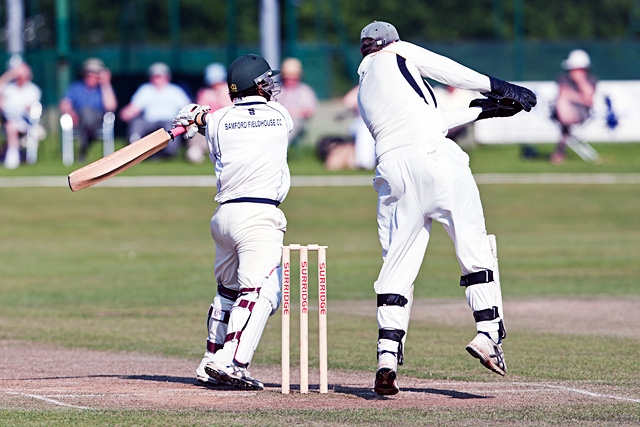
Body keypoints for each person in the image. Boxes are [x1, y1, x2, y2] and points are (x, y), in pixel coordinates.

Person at [356, 21, 537, 395]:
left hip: (392, 171)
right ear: (391, 42)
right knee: (473, 246)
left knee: (397, 263)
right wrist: (499, 87)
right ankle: (488, 333)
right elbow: (447, 69)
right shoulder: (399, 52)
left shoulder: (364, 88)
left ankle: (386, 357)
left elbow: (424, 122)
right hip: (436, 160)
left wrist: (481, 111)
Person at [172, 54, 293, 390]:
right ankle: (228, 361)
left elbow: (205, 120)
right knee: (263, 292)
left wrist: (194, 116)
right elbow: (220, 118)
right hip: (259, 216)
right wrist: (199, 116)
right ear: (260, 85)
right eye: (268, 81)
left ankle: (208, 359)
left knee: (229, 292)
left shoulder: (219, 121)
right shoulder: (280, 116)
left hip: (224, 217)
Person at [120, 62, 191, 158]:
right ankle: (134, 151)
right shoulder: (145, 90)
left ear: (167, 77)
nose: (157, 79)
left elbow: (188, 107)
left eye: (160, 76)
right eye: (155, 76)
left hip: (169, 120)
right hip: (149, 121)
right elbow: (134, 107)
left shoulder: (175, 91)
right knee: (137, 123)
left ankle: (169, 152)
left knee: (170, 125)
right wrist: (127, 112)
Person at [59, 58, 117, 162]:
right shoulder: (76, 88)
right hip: (79, 120)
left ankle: (84, 146)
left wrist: (106, 84)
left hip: (99, 121)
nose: (93, 77)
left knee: (87, 112)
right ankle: (85, 143)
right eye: (90, 74)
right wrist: (71, 113)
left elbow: (111, 107)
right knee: (85, 113)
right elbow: (64, 104)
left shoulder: (103, 90)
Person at [550, 49, 597, 164]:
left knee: (565, 126)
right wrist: (578, 96)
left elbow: (588, 99)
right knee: (562, 101)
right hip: (561, 114)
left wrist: (580, 81)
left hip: (581, 114)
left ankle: (559, 152)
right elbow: (562, 95)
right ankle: (559, 152)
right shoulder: (563, 79)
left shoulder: (591, 80)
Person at [186, 63, 233, 164]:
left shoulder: (229, 91)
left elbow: (230, 109)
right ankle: (197, 150)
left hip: (224, 126)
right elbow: (199, 112)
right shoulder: (204, 92)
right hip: (207, 125)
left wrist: (220, 95)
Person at [0, 61, 42, 169]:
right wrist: (10, 74)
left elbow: (28, 109)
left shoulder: (33, 90)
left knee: (11, 125)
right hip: (6, 120)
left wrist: (10, 107)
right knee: (10, 124)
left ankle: (13, 156)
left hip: (26, 122)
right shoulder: (10, 89)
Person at [276, 57, 318, 147]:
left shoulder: (305, 91)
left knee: (293, 123)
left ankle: (281, 148)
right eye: (288, 78)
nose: (290, 81)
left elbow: (308, 111)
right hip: (278, 120)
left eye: (293, 78)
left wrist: (293, 113)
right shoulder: (276, 90)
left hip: (296, 121)